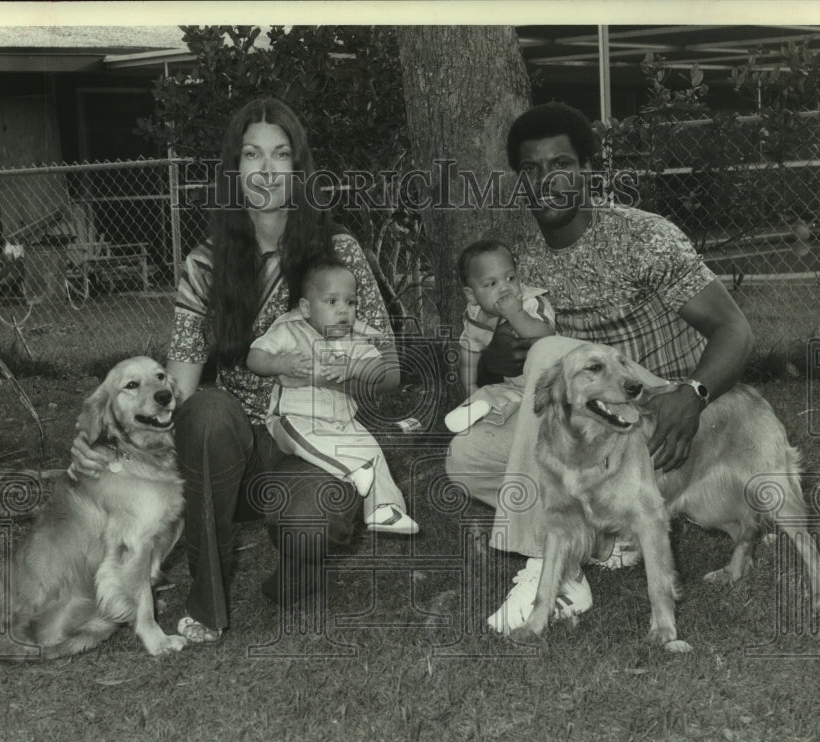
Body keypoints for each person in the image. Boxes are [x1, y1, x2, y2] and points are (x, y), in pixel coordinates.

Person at [70, 97, 396, 644]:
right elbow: (176, 391)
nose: (266, 170)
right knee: (206, 413)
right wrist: (105, 445)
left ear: (298, 167)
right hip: (233, 453)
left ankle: (299, 571)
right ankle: (208, 604)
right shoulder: (205, 263)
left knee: (317, 521)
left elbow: (388, 370)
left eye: (280, 154)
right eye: (251, 155)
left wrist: (322, 365)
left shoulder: (338, 252)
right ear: (234, 168)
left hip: (316, 437)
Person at [443, 102, 754, 633]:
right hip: (592, 422)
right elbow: (520, 378)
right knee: (466, 456)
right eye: (532, 170)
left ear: (588, 170)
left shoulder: (642, 238)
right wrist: (494, 361)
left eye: (561, 164)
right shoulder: (516, 265)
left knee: (548, 354)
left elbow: (736, 331)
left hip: (657, 413)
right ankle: (608, 533)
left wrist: (693, 395)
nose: (547, 181)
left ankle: (551, 566)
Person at [247, 257, 419, 535]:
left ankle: (384, 509)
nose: (344, 311)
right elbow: (255, 357)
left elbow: (381, 370)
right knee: (318, 442)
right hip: (295, 419)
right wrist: (280, 364)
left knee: (372, 451)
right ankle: (350, 470)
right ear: (306, 307)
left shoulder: (351, 339)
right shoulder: (289, 330)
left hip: (343, 421)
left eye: (350, 303)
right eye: (332, 302)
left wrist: (354, 367)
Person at [443, 238, 555, 433]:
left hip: (552, 380)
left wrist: (515, 314)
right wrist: (470, 386)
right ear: (471, 295)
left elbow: (546, 337)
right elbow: (469, 351)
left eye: (510, 278)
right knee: (492, 394)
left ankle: (513, 416)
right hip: (514, 385)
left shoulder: (530, 303)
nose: (504, 288)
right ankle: (481, 409)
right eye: (491, 283)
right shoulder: (474, 316)